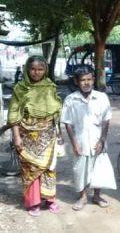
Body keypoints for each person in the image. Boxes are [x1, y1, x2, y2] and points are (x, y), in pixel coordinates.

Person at [8, 55, 62, 216]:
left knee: (49, 168)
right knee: (31, 169)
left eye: (40, 69)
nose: (36, 72)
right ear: (27, 69)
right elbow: (13, 114)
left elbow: (56, 113)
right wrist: (16, 137)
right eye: (33, 69)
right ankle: (33, 203)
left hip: (49, 135)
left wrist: (59, 134)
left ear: (45, 70)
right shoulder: (20, 88)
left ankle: (50, 199)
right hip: (27, 135)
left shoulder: (50, 86)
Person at [61, 66, 115, 211]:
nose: (86, 83)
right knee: (80, 169)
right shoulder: (71, 100)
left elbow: (106, 120)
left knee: (98, 169)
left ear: (93, 80)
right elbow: (68, 124)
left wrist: (102, 140)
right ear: (77, 82)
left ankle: (97, 196)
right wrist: (74, 143)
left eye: (89, 79)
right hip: (80, 140)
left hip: (98, 139)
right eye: (83, 80)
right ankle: (83, 196)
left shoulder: (102, 97)